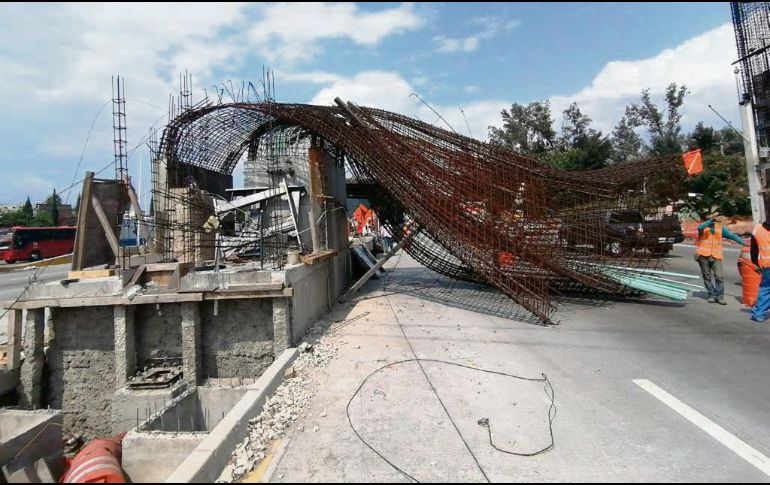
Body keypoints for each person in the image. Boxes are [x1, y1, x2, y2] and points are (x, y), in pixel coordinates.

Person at [695, 212, 747, 304]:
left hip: (716, 256)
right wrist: (710, 220)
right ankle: (711, 295)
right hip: (703, 255)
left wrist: (743, 243)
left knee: (719, 277)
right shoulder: (702, 227)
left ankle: (720, 297)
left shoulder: (719, 227)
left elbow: (731, 236)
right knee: (707, 277)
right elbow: (700, 228)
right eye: (711, 216)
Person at [750, 220, 770, 322]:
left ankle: (758, 313)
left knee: (766, 289)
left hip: (766, 264)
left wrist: (755, 263)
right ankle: (758, 312)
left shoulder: (757, 230)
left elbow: (753, 250)